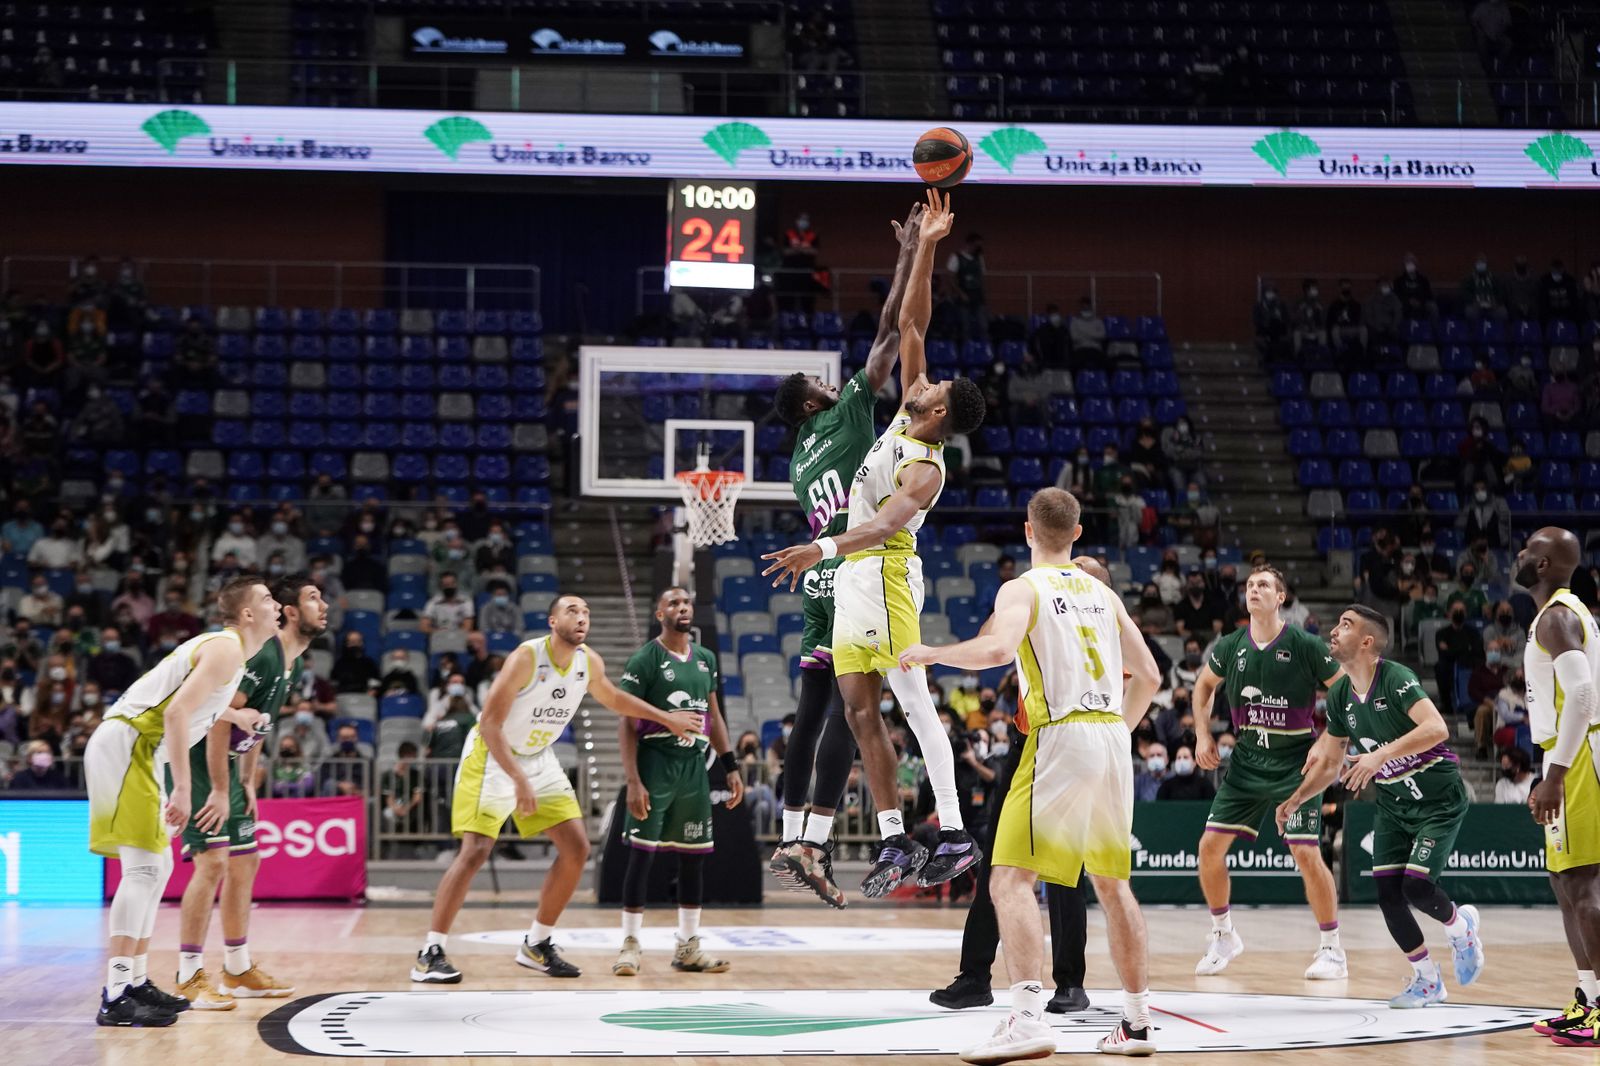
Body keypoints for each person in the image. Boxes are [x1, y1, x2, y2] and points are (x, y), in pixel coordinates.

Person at [762, 189, 988, 898]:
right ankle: (895, 841)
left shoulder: (925, 464)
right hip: (853, 576)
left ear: (940, 410)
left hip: (881, 570)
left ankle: (951, 832)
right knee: (856, 709)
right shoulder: (902, 413)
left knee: (913, 705)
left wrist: (820, 552)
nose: (931, 378)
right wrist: (925, 247)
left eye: (939, 384)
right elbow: (911, 318)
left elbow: (887, 526)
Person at [900, 488, 1162, 1058]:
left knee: (1009, 880)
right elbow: (1149, 675)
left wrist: (931, 651)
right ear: (1077, 533)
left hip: (1060, 734)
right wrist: (1118, 727)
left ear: (1027, 532)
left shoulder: (1024, 588)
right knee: (1113, 887)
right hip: (1111, 738)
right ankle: (1137, 1023)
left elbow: (996, 650)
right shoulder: (1103, 593)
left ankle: (1025, 1017)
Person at [412, 594, 705, 983]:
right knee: (476, 850)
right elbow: (489, 726)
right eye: (572, 610)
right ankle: (430, 951)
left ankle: (537, 943)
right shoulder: (526, 658)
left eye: (586, 611)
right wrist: (517, 779)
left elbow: (615, 699)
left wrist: (665, 718)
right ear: (552, 621)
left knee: (576, 847)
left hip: (538, 756)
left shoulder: (588, 662)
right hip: (492, 756)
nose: (582, 617)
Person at [768, 202, 923, 908]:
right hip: (852, 568)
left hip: (815, 579)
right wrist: (908, 253)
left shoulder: (799, 457)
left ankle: (790, 830)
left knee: (810, 710)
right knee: (851, 711)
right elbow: (891, 329)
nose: (829, 382)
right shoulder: (846, 411)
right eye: (818, 385)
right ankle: (816, 838)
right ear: (811, 405)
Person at [84, 577, 280, 1027]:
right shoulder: (228, 648)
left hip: (137, 748)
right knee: (145, 868)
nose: (276, 604)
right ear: (247, 614)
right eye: (268, 599)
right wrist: (184, 787)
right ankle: (116, 993)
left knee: (159, 868)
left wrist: (234, 714)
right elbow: (175, 713)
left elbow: (190, 702)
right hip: (131, 744)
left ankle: (134, 981)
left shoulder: (231, 653)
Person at [1278, 605, 1482, 1009]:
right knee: (1388, 894)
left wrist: (1380, 755)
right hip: (1394, 803)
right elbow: (1333, 763)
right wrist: (1297, 797)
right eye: (1336, 623)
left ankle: (1461, 927)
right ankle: (1427, 980)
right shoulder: (1338, 695)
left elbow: (1437, 728)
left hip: (1438, 801)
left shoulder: (1397, 679)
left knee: (1417, 886)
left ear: (1367, 642)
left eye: (1345, 625)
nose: (1334, 631)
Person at [169, 573, 327, 1008]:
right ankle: (188, 975)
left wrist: (244, 781)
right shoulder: (264, 657)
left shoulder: (288, 663)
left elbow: (257, 726)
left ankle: (237, 969)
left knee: (246, 861)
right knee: (213, 862)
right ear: (291, 612)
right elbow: (221, 719)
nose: (324, 606)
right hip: (199, 762)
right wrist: (221, 789)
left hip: (225, 770)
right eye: (314, 598)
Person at [1190, 566, 1346, 980]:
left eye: (1263, 585)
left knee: (1307, 854)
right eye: (1249, 585)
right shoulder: (1229, 646)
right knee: (1208, 849)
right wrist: (1203, 735)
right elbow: (1204, 687)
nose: (1254, 590)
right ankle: (1223, 934)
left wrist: (1327, 740)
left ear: (1281, 598)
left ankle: (1332, 948)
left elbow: (1346, 691)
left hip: (1296, 764)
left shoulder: (1305, 644)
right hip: (1245, 762)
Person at [612, 588, 744, 978]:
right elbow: (625, 719)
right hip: (655, 762)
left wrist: (731, 765)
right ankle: (630, 945)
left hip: (693, 769)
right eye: (674, 603)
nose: (683, 608)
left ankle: (688, 947)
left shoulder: (705, 659)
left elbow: (714, 717)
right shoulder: (645, 659)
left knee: (693, 857)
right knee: (641, 855)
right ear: (660, 613)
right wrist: (633, 780)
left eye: (687, 602)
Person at [1515, 528, 1600, 1045]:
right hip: (1570, 753)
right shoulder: (1561, 613)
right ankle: (1586, 997)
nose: (1520, 555)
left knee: (1584, 885)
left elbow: (1584, 695)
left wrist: (1557, 774)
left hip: (1578, 758)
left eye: (1528, 549)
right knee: (1565, 883)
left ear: (1543, 564)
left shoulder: (1557, 616)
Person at [946, 231, 987, 343]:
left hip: (977, 296)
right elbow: (950, 277)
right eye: (977, 245)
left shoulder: (979, 258)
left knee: (983, 325)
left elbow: (982, 276)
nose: (979, 248)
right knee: (965, 326)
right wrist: (960, 293)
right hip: (963, 297)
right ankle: (967, 351)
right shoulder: (956, 257)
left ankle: (983, 350)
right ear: (970, 244)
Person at [1067, 297, 1107, 363]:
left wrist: (1083, 333)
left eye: (1087, 306)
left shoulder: (1098, 321)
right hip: (1080, 350)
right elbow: (1075, 338)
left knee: (1109, 365)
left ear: (1090, 307)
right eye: (1083, 307)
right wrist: (1093, 335)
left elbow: (1102, 335)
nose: (1085, 308)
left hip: (1095, 349)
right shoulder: (1075, 322)